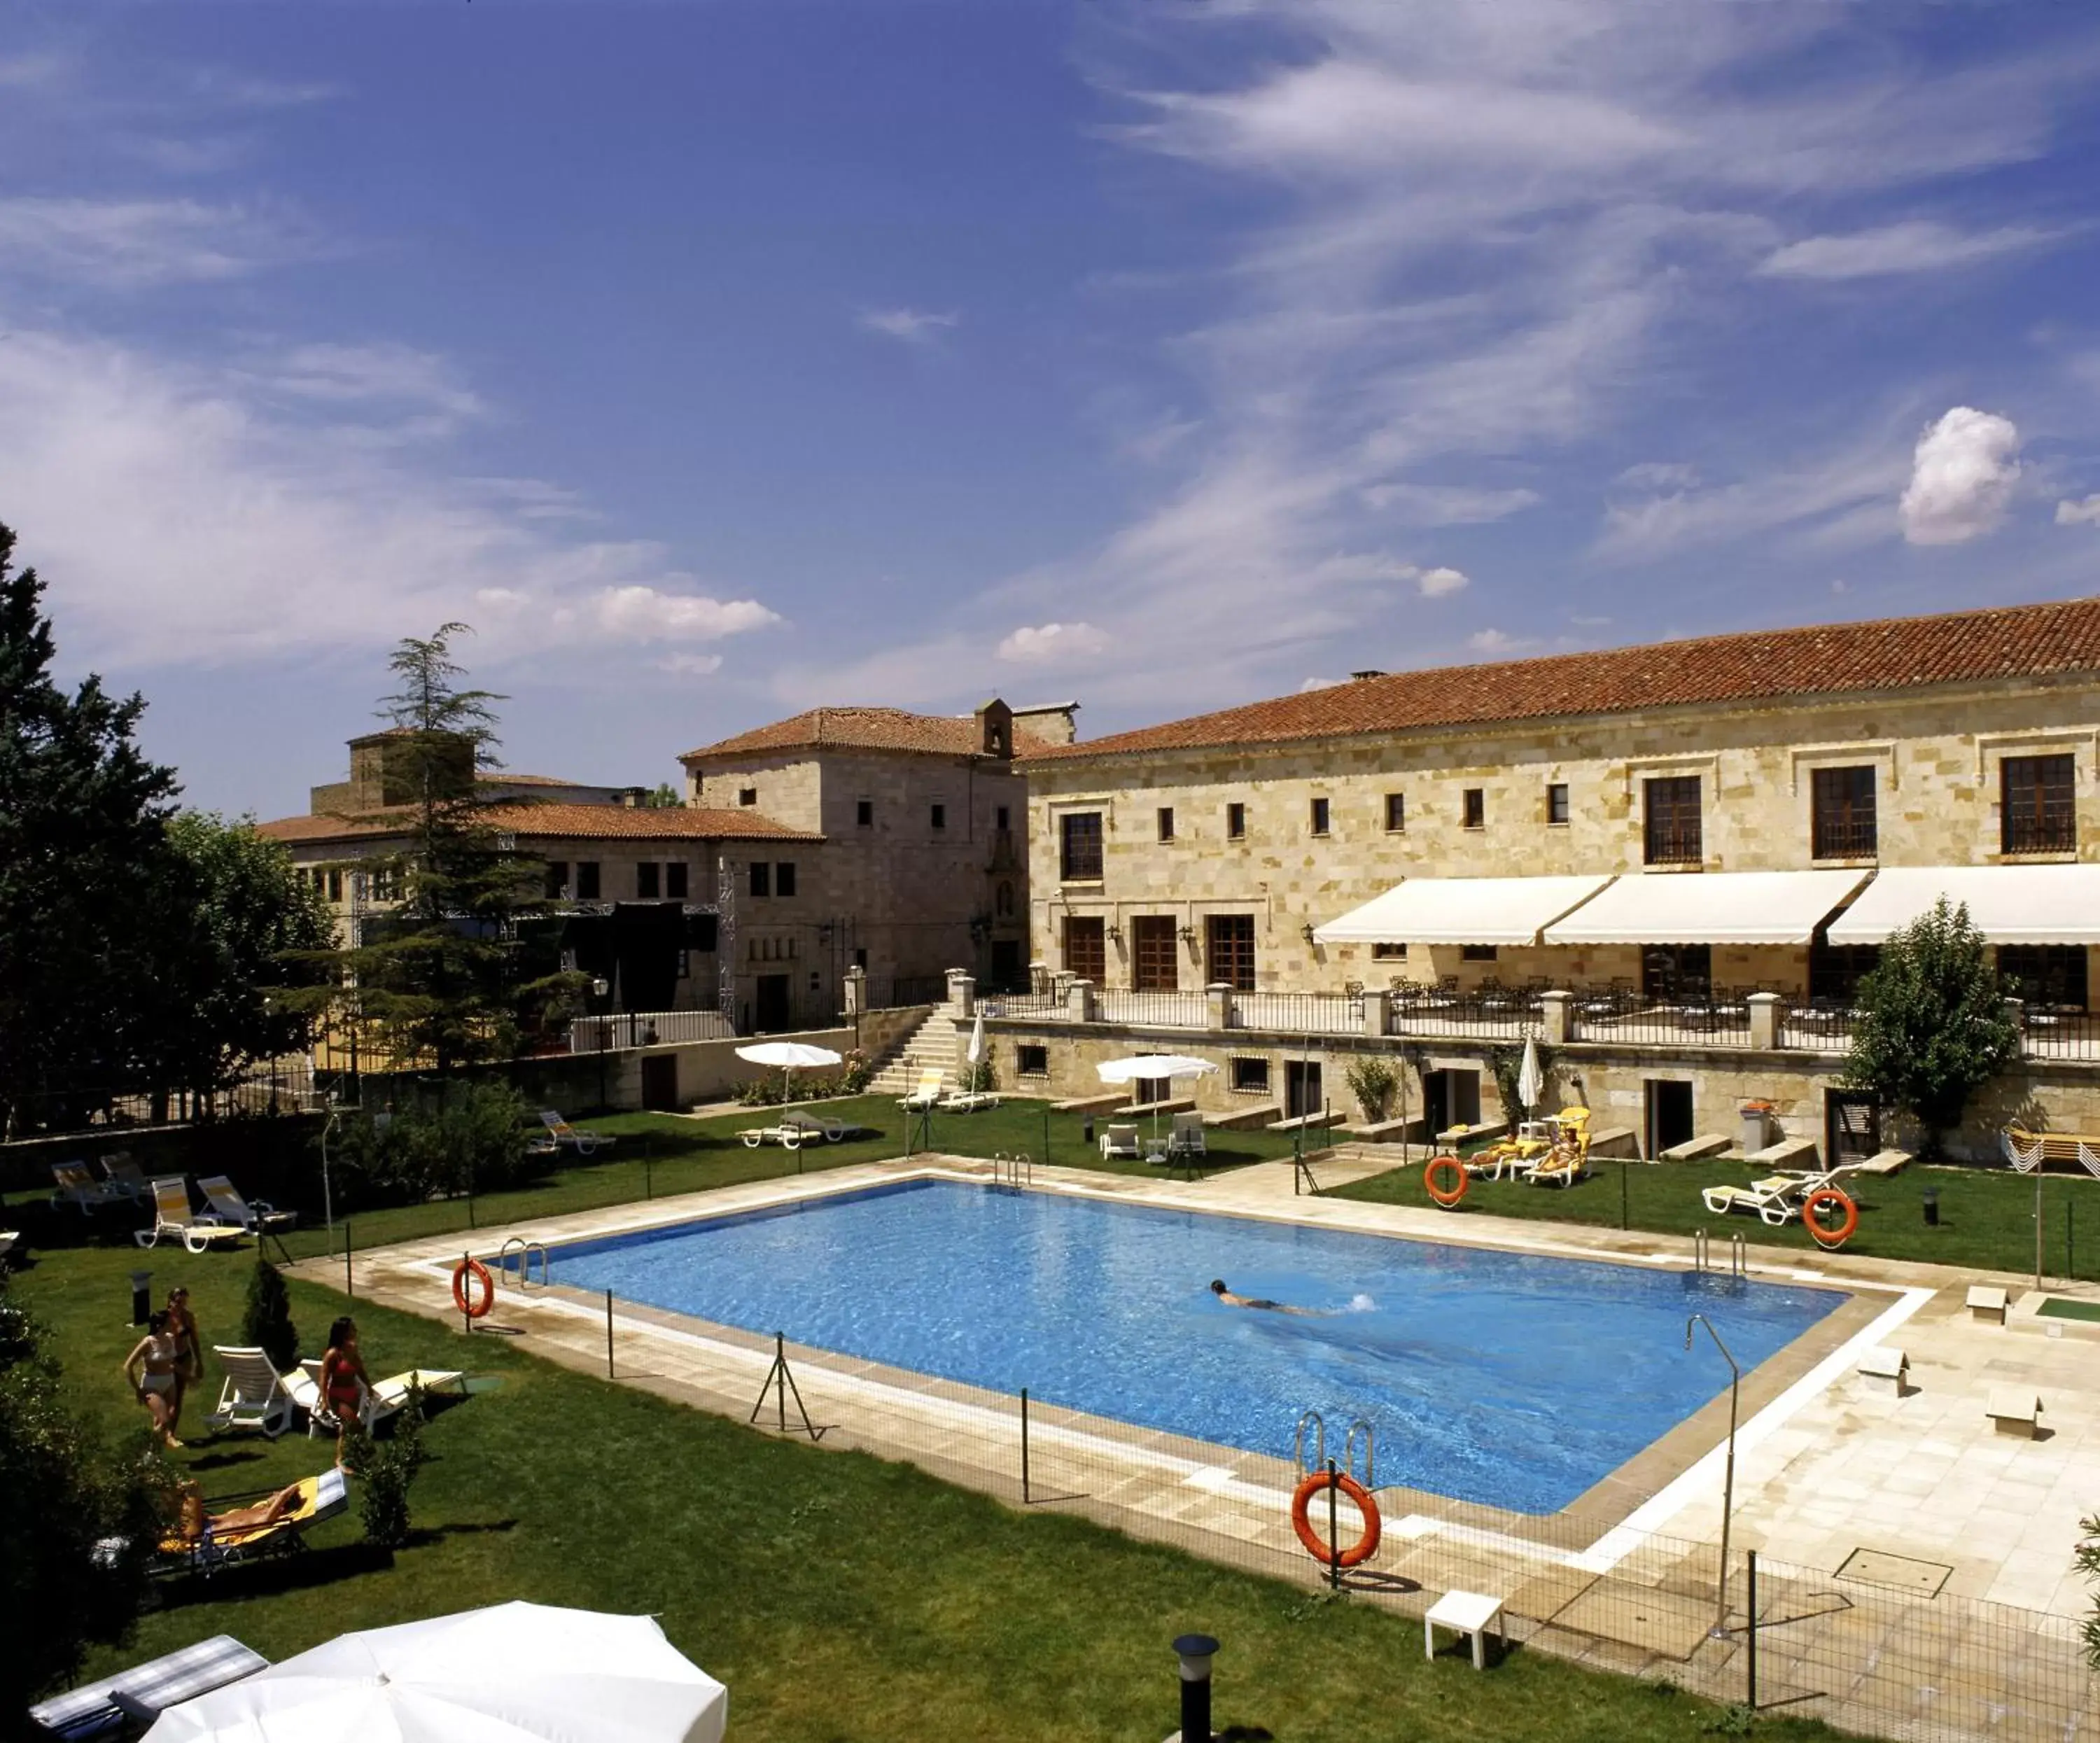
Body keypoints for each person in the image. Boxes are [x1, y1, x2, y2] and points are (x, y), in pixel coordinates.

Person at [122, 1311, 186, 1448]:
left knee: (169, 1414)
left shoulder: (170, 1338)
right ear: (160, 1325)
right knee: (164, 1419)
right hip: (152, 1383)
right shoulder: (148, 1342)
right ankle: (145, 1445)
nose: (173, 1324)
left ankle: (156, 1447)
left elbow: (171, 1361)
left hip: (169, 1381)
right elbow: (128, 1367)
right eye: (170, 1322)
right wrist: (137, 1390)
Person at [171, 1479, 306, 1545]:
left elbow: (282, 1498)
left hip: (196, 1534)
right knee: (173, 1493)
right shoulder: (259, 1509)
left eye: (277, 1495)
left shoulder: (265, 1518)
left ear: (281, 1506)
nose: (274, 1493)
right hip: (202, 1522)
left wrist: (292, 1488)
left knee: (192, 1488)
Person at [319, 1315, 371, 1469]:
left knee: (346, 1427)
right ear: (344, 1333)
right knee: (353, 1425)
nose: (355, 1330)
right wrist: (324, 1401)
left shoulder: (353, 1350)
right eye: (352, 1328)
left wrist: (369, 1387)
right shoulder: (333, 1354)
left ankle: (350, 1457)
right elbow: (324, 1378)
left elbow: (360, 1370)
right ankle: (343, 1459)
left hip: (352, 1395)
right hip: (338, 1396)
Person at [164, 1286, 202, 1440]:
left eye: (184, 1302)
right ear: (170, 1302)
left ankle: (171, 1434)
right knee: (167, 1398)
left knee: (178, 1398)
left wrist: (199, 1362)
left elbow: (194, 1340)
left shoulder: (188, 1317)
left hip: (184, 1357)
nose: (181, 1306)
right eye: (179, 1302)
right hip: (168, 1360)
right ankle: (162, 1430)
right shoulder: (164, 1319)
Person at [1209, 1279, 1328, 1317]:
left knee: (1290, 1312)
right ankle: (1318, 1313)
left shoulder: (1224, 1298)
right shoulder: (1229, 1292)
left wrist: (1246, 1309)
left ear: (1214, 1291)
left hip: (1254, 1305)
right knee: (1289, 1309)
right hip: (1258, 1301)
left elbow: (1237, 1302)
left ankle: (1318, 1314)